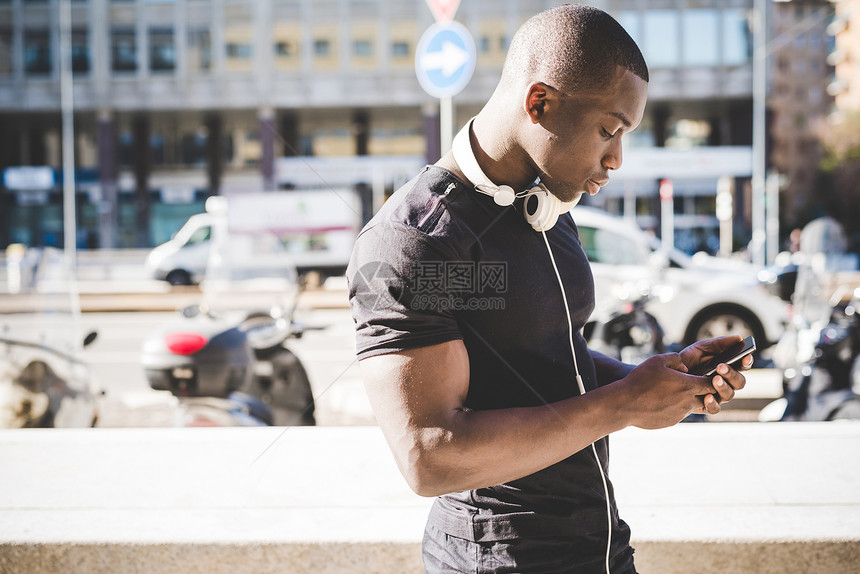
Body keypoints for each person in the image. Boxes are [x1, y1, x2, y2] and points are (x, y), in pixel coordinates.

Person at [346, 5, 751, 573]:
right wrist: (623, 404)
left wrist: (655, 378)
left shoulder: (548, 200)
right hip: (500, 558)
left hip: (599, 542)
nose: (615, 159)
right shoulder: (415, 242)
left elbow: (543, 354)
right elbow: (430, 456)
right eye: (609, 130)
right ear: (540, 102)